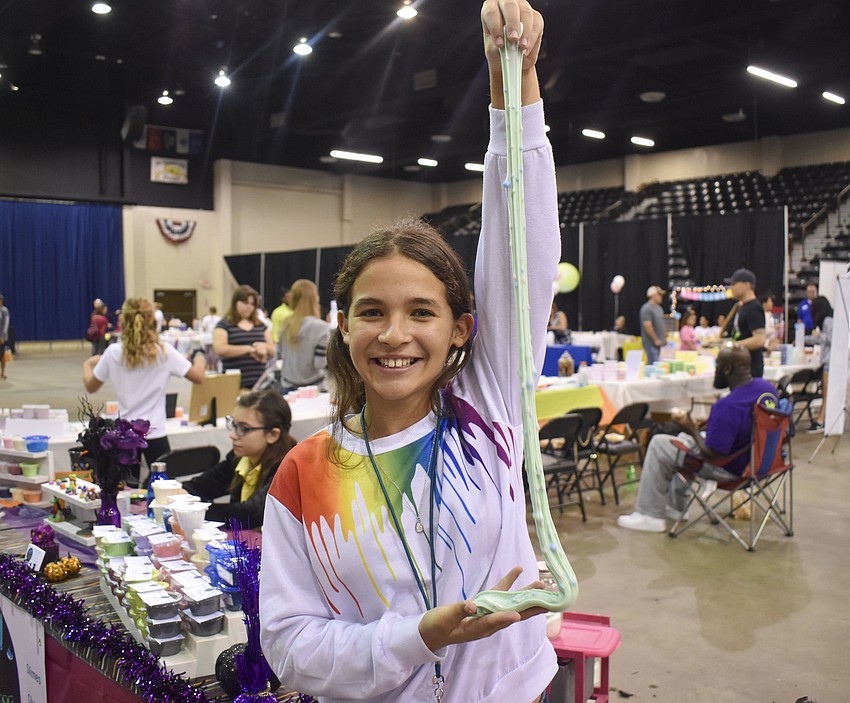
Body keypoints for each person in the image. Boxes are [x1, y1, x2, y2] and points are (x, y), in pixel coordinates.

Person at [260, 4, 556, 701]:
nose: (394, 334)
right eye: (373, 312)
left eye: (421, 312)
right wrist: (417, 636)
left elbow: (524, 253)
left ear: (461, 329)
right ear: (343, 326)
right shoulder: (304, 474)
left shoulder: (486, 410)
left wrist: (512, 83)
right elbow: (290, 647)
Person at [617, 344, 778, 532]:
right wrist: (698, 430)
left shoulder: (727, 406)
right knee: (684, 441)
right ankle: (676, 508)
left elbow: (712, 454)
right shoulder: (767, 389)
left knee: (660, 444)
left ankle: (649, 515)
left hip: (731, 470)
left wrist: (691, 428)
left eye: (717, 365)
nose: (715, 371)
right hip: (763, 462)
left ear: (727, 369)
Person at [82, 297, 206, 469]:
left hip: (125, 434)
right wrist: (200, 358)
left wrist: (87, 365)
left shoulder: (113, 353)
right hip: (155, 431)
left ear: (123, 321)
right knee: (162, 482)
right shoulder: (164, 352)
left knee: (125, 483)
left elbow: (91, 386)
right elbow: (198, 377)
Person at [182, 390, 296, 528]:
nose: (233, 435)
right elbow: (202, 486)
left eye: (244, 428)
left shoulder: (289, 467)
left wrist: (196, 510)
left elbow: (250, 514)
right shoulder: (240, 458)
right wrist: (179, 493)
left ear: (272, 435)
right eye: (234, 425)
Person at [213, 285, 274, 390]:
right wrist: (248, 349)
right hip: (235, 384)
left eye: (252, 304)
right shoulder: (224, 324)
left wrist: (264, 347)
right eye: (245, 303)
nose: (249, 307)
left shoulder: (260, 325)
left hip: (260, 384)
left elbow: (273, 350)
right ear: (235, 303)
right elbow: (220, 349)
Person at [276, 279, 331, 391]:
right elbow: (319, 363)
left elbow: (279, 354)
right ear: (315, 298)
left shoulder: (285, 324)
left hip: (287, 386)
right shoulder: (322, 327)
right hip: (313, 389)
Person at [727, 268, 766, 377]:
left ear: (746, 284)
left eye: (734, 284)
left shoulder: (754, 308)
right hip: (740, 366)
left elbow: (759, 340)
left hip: (750, 369)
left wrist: (733, 346)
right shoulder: (742, 307)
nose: (731, 287)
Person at [804, 295, 834, 433]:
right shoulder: (828, 321)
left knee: (826, 394)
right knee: (826, 393)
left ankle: (821, 421)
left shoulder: (828, 321)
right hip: (827, 362)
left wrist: (818, 335)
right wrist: (805, 339)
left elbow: (830, 338)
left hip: (829, 362)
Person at [640, 285, 666, 364]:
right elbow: (647, 325)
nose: (661, 297)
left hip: (659, 342)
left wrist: (664, 336)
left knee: (657, 363)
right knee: (653, 364)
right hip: (650, 343)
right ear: (653, 295)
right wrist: (655, 339)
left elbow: (661, 323)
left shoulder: (659, 308)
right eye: (659, 294)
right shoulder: (646, 308)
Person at [0, 293, 9, 380]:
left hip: (1, 337)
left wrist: (2, 336)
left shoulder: (4, 310)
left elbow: (6, 324)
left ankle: (2, 373)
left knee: (1, 355)